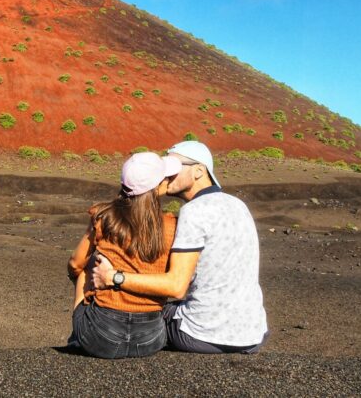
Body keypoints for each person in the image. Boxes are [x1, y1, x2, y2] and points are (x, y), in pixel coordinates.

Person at [92, 141, 269, 354]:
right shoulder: (238, 205)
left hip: (202, 334)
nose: (165, 177)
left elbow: (176, 286)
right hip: (252, 333)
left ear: (198, 171)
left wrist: (114, 277)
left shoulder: (194, 211)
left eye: (173, 170)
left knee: (143, 319)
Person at [66, 152, 182, 359]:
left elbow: (75, 264)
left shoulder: (104, 217)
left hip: (100, 337)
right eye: (165, 177)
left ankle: (77, 337)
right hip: (151, 339)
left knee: (86, 263)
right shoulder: (173, 225)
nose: (169, 180)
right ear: (156, 188)